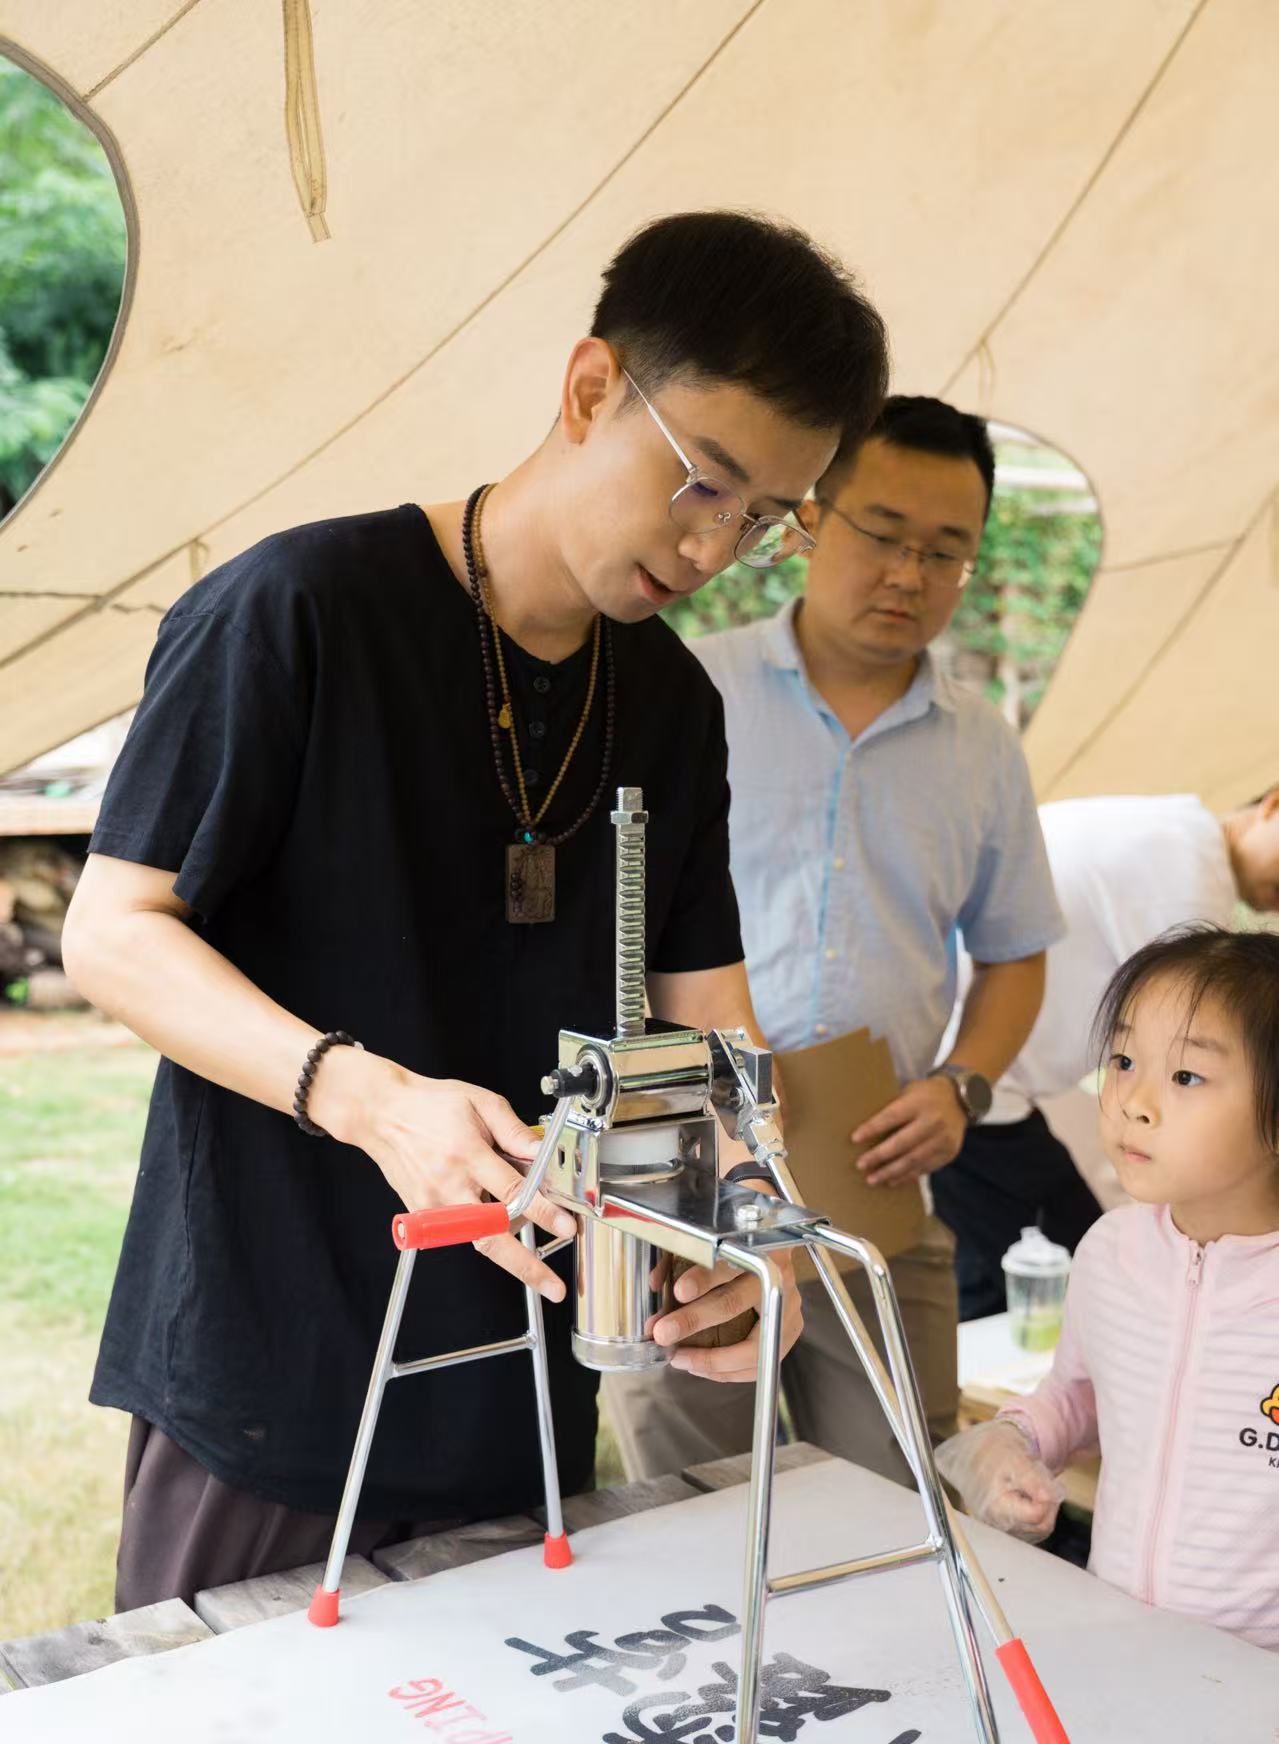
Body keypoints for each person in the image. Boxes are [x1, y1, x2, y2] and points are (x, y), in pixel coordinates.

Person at [60, 211, 891, 1609]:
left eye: (762, 519)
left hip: (523, 1376)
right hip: (275, 1369)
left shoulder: (672, 705)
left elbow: (708, 1024)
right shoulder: (296, 610)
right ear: (585, 390)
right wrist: (372, 1101)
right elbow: (114, 931)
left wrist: (753, 1217)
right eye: (702, 482)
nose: (712, 548)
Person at [604, 396, 1064, 1485]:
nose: (909, 573)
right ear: (812, 517)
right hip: (687, 1175)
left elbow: (1015, 950)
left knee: (903, 1500)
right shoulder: (688, 689)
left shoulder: (981, 748)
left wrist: (963, 1087)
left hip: (873, 1172)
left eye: (945, 551)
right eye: (883, 533)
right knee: (694, 1512)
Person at [936, 926, 1279, 1652]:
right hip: (1117, 1644)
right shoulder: (1111, 1251)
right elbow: (1082, 1395)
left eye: (1185, 1076)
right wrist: (1014, 1439)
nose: (1133, 1101)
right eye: (1123, 1060)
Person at [934, 784, 1279, 1319]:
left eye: (1186, 1077)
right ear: (1273, 805)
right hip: (971, 1087)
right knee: (1043, 1282)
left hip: (979, 1083)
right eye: (1123, 1061)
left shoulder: (1162, 831)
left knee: (1038, 1272)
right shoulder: (1187, 872)